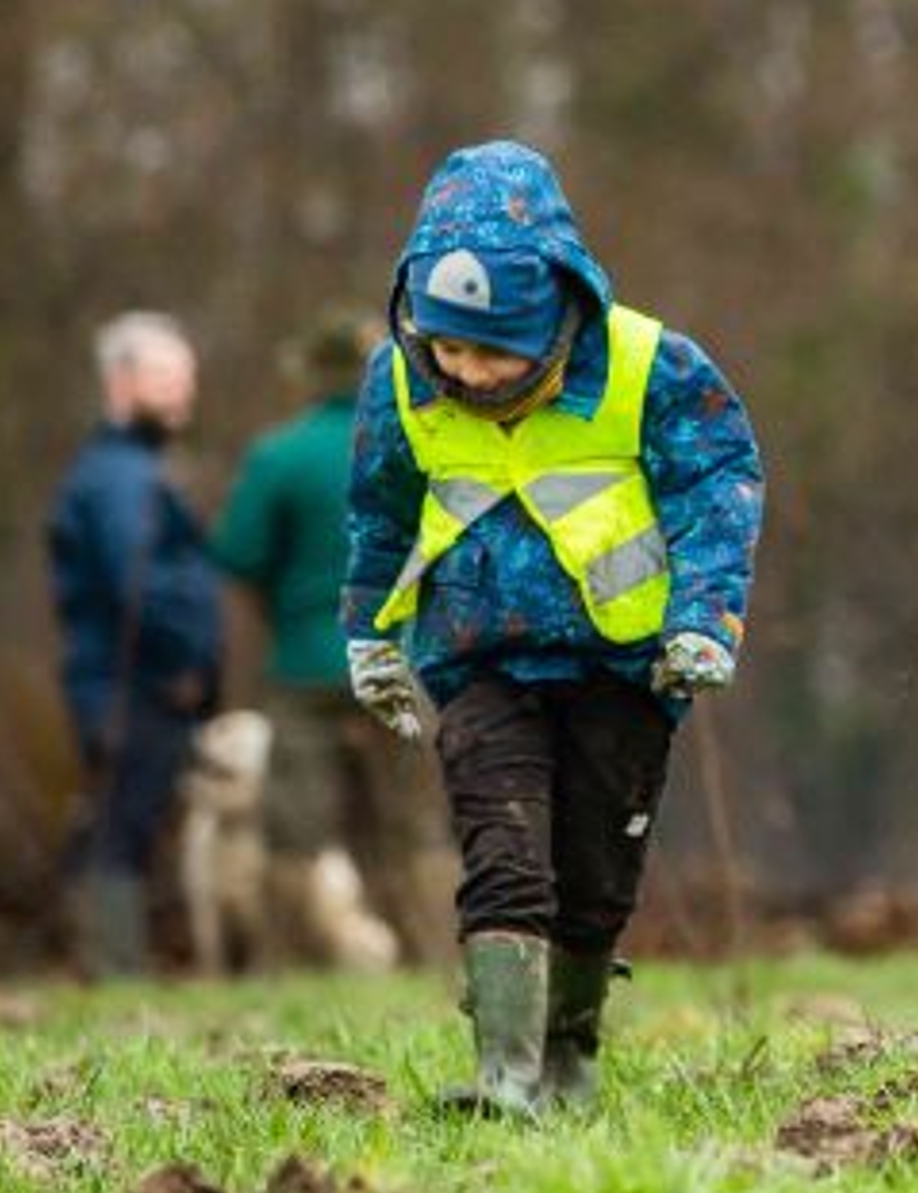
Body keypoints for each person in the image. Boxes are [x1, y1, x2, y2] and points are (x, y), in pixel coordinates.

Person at [340, 140, 764, 1117]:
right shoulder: (399, 381)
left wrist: (706, 616)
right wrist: (369, 632)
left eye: (494, 351)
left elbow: (719, 485)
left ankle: (569, 1055)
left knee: (593, 871)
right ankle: (505, 1074)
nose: (469, 372)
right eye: (448, 346)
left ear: (558, 315)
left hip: (627, 662)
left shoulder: (651, 365)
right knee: (503, 852)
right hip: (477, 659)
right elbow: (378, 513)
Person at [213, 308, 453, 961]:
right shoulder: (418, 444)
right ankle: (437, 959)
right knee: (413, 826)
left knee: (295, 831)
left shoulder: (278, 454)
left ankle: (288, 966)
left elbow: (237, 551)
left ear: (311, 375)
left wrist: (282, 600)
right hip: (402, 659)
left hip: (305, 662)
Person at [48, 312, 226, 978]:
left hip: (130, 681)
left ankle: (112, 964)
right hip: (131, 684)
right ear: (120, 383)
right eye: (164, 375)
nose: (182, 390)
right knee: (122, 825)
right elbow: (138, 579)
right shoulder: (121, 478)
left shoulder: (127, 468)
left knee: (124, 820)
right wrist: (184, 661)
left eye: (187, 376)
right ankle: (114, 971)